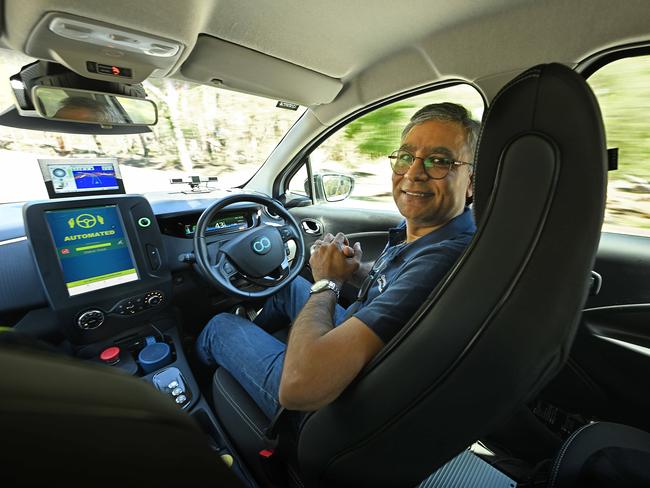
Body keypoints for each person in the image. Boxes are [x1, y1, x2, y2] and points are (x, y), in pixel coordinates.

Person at [197, 102, 479, 418]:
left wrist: (327, 283)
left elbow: (299, 386)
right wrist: (355, 270)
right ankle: (260, 356)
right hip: (355, 346)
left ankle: (205, 397)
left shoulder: (440, 260)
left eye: (439, 161)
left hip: (328, 401)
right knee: (285, 288)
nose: (413, 173)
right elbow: (393, 288)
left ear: (471, 182)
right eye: (405, 157)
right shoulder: (432, 232)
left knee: (218, 326)